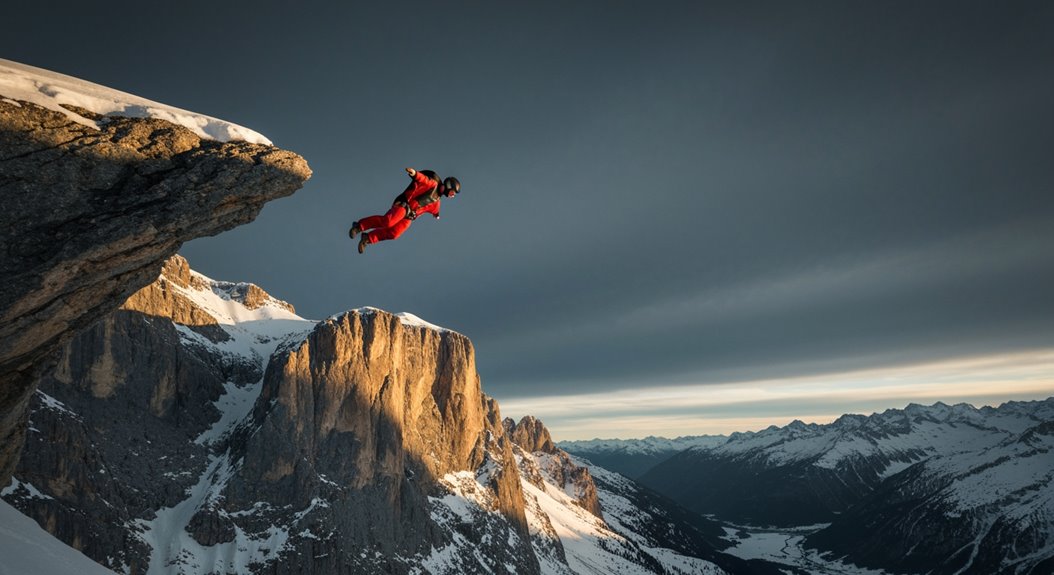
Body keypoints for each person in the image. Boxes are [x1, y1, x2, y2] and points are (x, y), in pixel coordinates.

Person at [349, 167, 461, 254]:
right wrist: (415, 174)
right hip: (404, 205)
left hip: (409, 216)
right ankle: (359, 226)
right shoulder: (434, 184)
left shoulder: (437, 201)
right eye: (453, 192)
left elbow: (435, 210)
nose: (452, 196)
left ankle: (367, 238)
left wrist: (436, 215)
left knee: (394, 233)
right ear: (448, 186)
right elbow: (424, 179)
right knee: (388, 222)